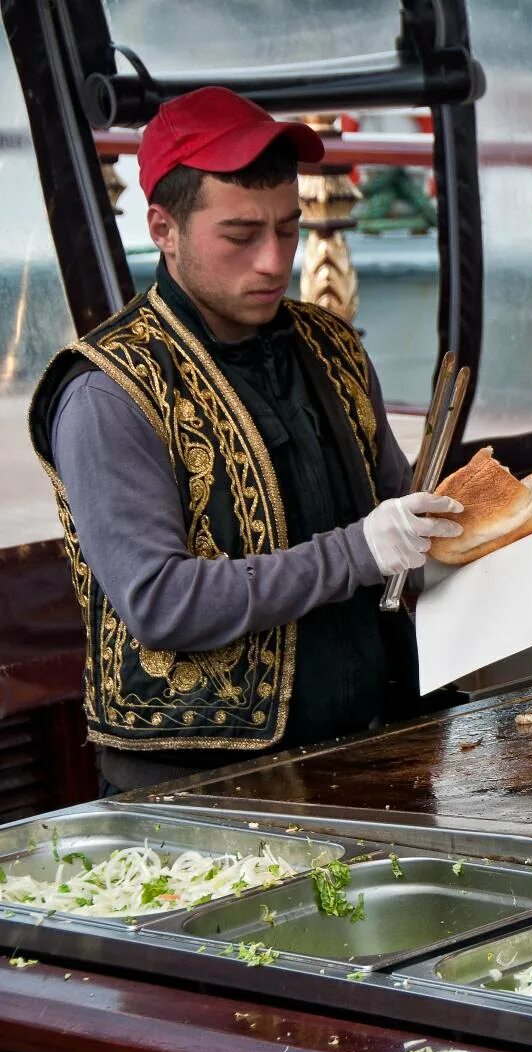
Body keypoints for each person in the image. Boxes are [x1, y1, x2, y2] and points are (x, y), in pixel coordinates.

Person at [28, 87, 464, 794]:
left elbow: (401, 531)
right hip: (198, 781)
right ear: (163, 229)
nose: (273, 261)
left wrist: (485, 545)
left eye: (289, 229)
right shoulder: (109, 390)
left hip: (375, 742)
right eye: (239, 236)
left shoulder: (331, 346)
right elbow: (160, 601)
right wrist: (358, 549)